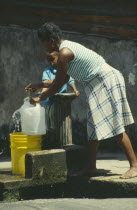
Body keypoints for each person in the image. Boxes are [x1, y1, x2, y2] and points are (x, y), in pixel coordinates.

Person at [26, 22, 137, 179]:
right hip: (95, 83)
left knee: (114, 125)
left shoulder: (64, 52)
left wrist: (40, 98)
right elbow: (62, 79)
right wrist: (40, 85)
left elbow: (58, 84)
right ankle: (91, 167)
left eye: (42, 42)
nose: (42, 46)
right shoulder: (62, 50)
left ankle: (134, 165)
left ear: (50, 41)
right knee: (92, 129)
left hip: (104, 79)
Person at [39, 51, 80, 131]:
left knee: (61, 122)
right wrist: (43, 92)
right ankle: (50, 134)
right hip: (49, 100)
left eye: (53, 59)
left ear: (59, 58)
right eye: (49, 61)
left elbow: (70, 81)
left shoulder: (65, 69)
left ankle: (56, 134)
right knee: (49, 121)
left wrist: (75, 90)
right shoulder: (47, 71)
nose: (51, 63)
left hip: (61, 100)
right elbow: (45, 83)